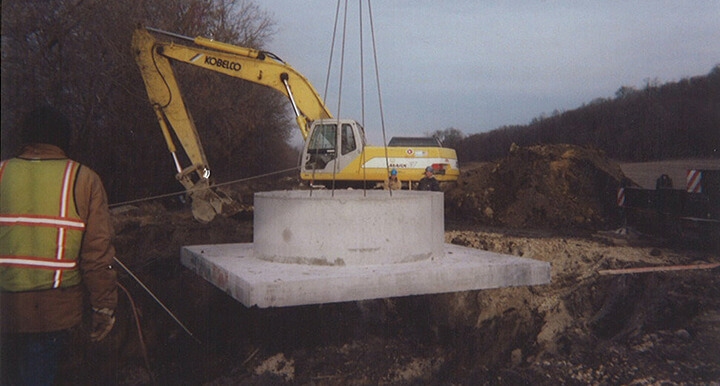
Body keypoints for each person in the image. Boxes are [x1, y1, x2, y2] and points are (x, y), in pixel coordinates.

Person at [1, 105, 118, 385]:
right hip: (53, 315)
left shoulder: (3, 172)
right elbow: (98, 255)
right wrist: (103, 308)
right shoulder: (83, 179)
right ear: (64, 138)